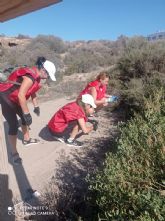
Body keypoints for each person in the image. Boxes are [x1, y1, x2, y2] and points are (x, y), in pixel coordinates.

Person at [0, 56, 56, 165]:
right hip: (6, 95)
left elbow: (32, 91)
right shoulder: (30, 77)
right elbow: (21, 95)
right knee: (13, 124)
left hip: (15, 97)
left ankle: (27, 140)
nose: (48, 77)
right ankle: (14, 153)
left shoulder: (37, 77)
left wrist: (36, 106)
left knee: (24, 120)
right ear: (44, 70)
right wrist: (27, 113)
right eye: (48, 75)